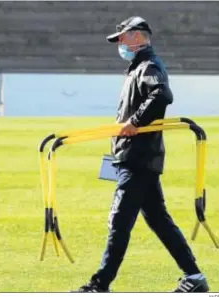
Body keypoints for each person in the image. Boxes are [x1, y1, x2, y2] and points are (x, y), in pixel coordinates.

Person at [72, 16, 209, 293]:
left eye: (122, 38)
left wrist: (134, 122)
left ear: (137, 36)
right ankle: (194, 277)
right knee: (158, 219)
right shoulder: (137, 68)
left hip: (138, 157)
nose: (119, 44)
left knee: (119, 221)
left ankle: (100, 285)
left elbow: (161, 95)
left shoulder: (148, 66)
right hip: (134, 157)